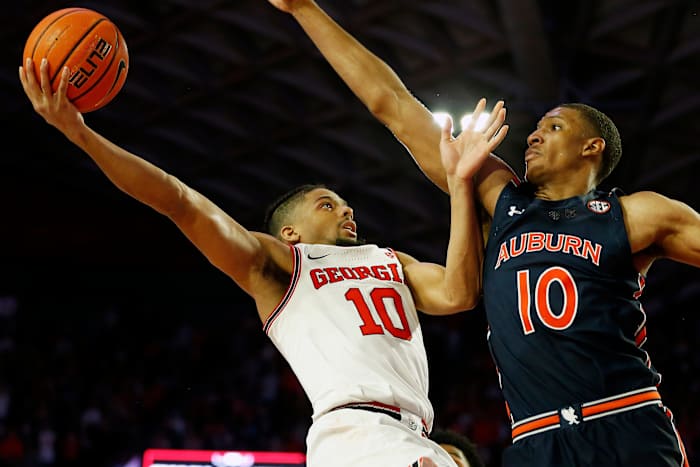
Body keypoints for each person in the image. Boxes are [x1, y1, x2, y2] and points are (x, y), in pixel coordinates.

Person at [18, 56, 508, 467]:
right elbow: (179, 201)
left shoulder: (387, 259)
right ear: (290, 231)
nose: (346, 209)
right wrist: (80, 135)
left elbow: (459, 294)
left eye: (344, 203)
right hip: (357, 435)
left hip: (418, 433)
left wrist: (460, 185)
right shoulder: (281, 264)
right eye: (326, 204)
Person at [267, 1, 698, 465]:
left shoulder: (638, 214)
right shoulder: (502, 200)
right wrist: (304, 8)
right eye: (534, 128)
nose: (533, 136)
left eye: (552, 127)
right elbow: (391, 105)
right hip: (535, 438)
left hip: (624, 419)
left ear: (591, 147)